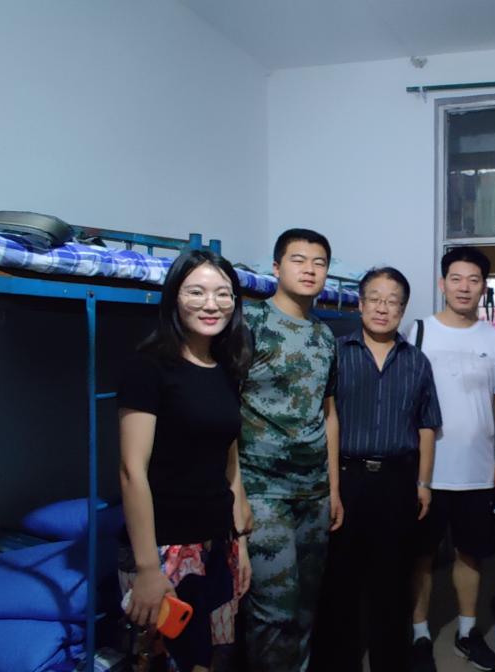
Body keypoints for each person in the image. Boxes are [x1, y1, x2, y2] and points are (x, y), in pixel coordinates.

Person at [118, 249, 253, 672]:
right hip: (164, 547)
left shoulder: (226, 367)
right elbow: (132, 471)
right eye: (196, 292)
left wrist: (240, 541)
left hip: (217, 542)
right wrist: (147, 569)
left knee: (211, 661)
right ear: (174, 297)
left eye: (223, 294)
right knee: (164, 662)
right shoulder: (148, 367)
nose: (211, 304)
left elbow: (227, 452)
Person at [310, 267, 442, 672]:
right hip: (347, 478)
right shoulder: (336, 353)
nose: (383, 308)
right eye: (376, 299)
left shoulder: (417, 362)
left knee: (393, 580)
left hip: (398, 481)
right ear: (361, 304)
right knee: (341, 581)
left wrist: (424, 482)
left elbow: (426, 425)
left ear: (403, 308)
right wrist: (332, 488)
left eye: (393, 301)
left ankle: (391, 662)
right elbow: (323, 419)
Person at [408, 246, 495, 672]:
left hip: (476, 471)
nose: (464, 287)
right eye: (456, 278)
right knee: (420, 555)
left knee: (471, 554)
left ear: (482, 287)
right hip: (426, 471)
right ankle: (420, 635)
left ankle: (467, 632)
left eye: (473, 280)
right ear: (442, 283)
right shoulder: (419, 331)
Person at [238, 229, 342, 672]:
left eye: (319, 262)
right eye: (298, 260)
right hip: (263, 491)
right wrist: (236, 494)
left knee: (304, 608)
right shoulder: (249, 323)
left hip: (314, 493)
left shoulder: (325, 336)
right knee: (273, 611)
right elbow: (225, 406)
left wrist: (333, 489)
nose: (310, 269)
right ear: (276, 268)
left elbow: (328, 413)